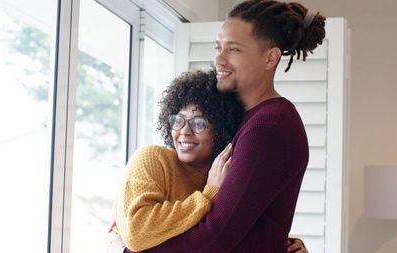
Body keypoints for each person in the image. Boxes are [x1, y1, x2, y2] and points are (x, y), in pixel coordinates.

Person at [120, 0, 326, 252]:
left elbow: (215, 237)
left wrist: (128, 250)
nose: (218, 59)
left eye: (234, 49)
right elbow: (248, 219)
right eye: (218, 48)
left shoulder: (268, 125)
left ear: (270, 58)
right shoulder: (244, 121)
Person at [109, 69, 308, 253]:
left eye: (199, 123)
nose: (184, 131)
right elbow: (137, 232)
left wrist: (284, 245)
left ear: (220, 128)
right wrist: (207, 196)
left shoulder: (224, 173)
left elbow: (213, 236)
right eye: (178, 120)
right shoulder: (153, 159)